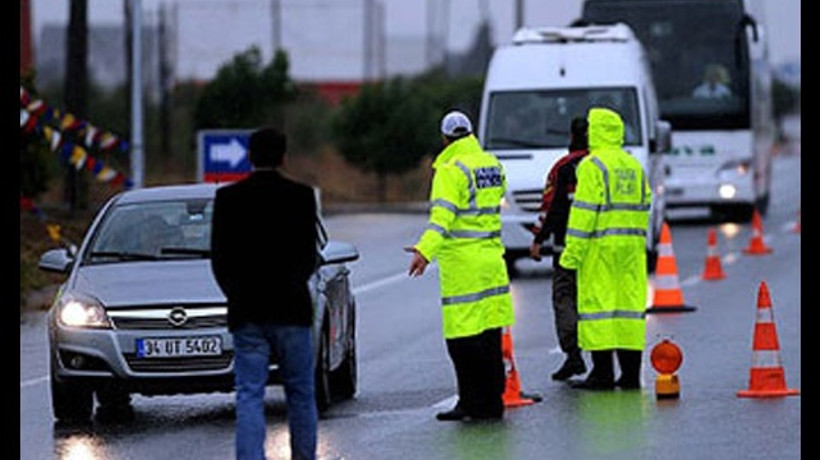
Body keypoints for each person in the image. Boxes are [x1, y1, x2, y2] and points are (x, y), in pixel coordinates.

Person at [210, 127, 319, 460]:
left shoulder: (228, 199)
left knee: (249, 395)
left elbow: (220, 259)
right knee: (300, 393)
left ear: (249, 156)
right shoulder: (301, 196)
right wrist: (292, 283)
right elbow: (308, 256)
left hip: (247, 312)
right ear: (284, 157)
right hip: (292, 311)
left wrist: (237, 293)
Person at [406, 110, 515, 421]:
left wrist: (424, 251)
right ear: (470, 133)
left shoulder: (450, 170)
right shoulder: (491, 164)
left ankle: (471, 403)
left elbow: (442, 218)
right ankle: (492, 403)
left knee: (462, 340)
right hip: (492, 260)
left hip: (463, 266)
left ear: (444, 138)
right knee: (490, 336)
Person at [558, 107, 651, 391]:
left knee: (599, 309)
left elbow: (583, 214)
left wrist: (571, 254)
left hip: (599, 250)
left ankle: (602, 373)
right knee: (628, 310)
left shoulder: (592, 166)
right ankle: (631, 374)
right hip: (632, 250)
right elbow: (646, 203)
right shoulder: (632, 165)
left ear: (595, 132)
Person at [529, 116, 589, 381]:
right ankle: (605, 362)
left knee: (565, 299)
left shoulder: (563, 168)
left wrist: (539, 239)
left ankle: (573, 355)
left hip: (566, 247)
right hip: (600, 248)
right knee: (597, 302)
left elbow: (551, 207)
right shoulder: (604, 165)